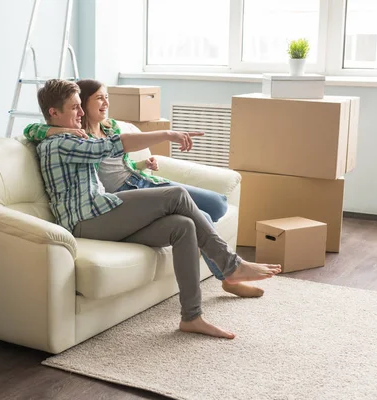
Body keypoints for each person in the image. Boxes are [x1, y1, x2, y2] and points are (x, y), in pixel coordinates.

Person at [28, 78, 281, 339]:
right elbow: (112, 145)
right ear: (54, 113)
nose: (80, 114)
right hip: (86, 220)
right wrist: (169, 134)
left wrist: (56, 129)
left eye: (81, 107)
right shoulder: (62, 143)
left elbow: (41, 129)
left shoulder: (65, 135)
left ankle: (192, 317)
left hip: (101, 212)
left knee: (183, 227)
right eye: (74, 108)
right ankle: (231, 266)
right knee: (176, 195)